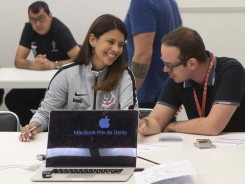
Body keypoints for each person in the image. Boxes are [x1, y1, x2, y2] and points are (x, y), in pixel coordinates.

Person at [19, 14, 138, 142]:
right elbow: (45, 113)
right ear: (92, 40)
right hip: (72, 145)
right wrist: (34, 126)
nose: (116, 49)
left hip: (110, 145)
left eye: (120, 44)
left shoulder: (124, 75)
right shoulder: (67, 74)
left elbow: (130, 119)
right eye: (110, 42)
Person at [138, 27, 245, 136]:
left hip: (243, 152)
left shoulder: (231, 71)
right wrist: (144, 124)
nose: (165, 69)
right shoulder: (177, 78)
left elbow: (212, 126)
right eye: (164, 63)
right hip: (204, 151)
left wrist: (172, 126)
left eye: (170, 65)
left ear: (192, 63)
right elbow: (156, 121)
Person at [5, 1, 80, 127]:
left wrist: (54, 64)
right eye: (33, 20)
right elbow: (18, 60)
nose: (38, 24)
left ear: (50, 16)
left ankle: (46, 128)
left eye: (41, 18)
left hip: (62, 83)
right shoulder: (29, 28)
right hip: (40, 83)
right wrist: (34, 65)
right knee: (12, 99)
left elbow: (79, 58)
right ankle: (36, 128)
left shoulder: (59, 29)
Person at [124, 0, 182, 108]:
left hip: (145, 94)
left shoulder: (141, 2)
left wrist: (126, 96)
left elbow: (143, 55)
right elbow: (180, 48)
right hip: (164, 93)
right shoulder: (170, 2)